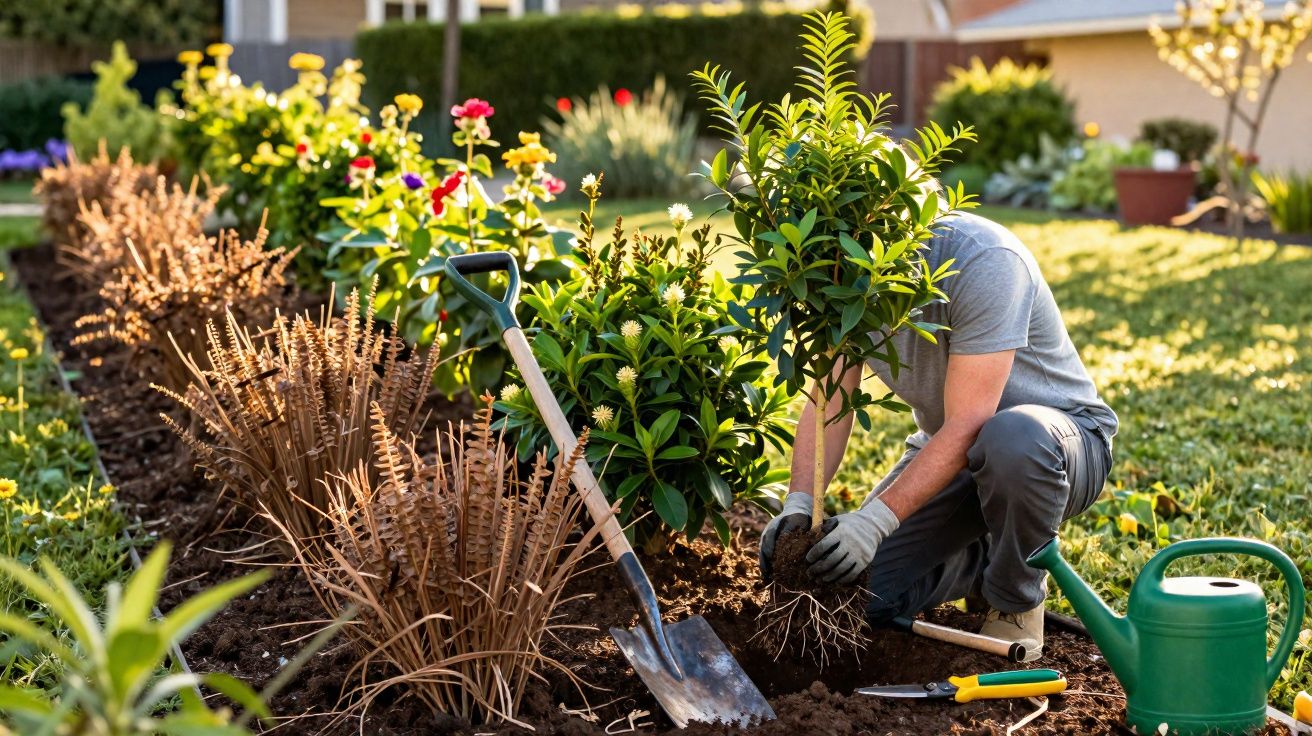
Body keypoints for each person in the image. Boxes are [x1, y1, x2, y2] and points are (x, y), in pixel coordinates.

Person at [757, 210, 1117, 662]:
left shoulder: (985, 260)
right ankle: (980, 561)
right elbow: (828, 399)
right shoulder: (841, 275)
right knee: (862, 596)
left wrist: (874, 522)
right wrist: (800, 501)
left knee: (1010, 437)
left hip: (1055, 447)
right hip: (948, 457)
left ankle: (1014, 597)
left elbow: (970, 423)